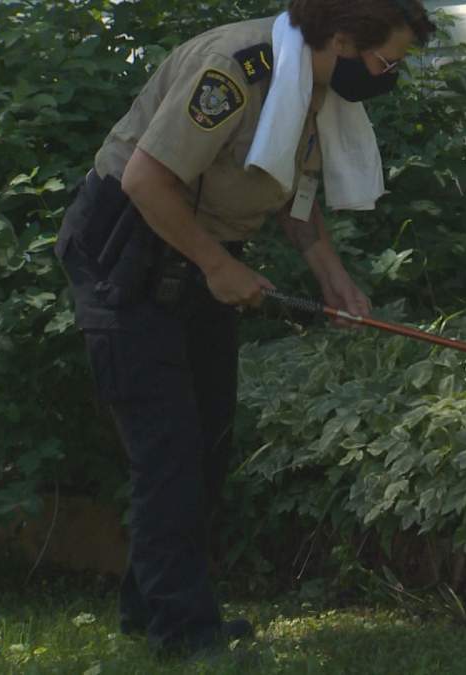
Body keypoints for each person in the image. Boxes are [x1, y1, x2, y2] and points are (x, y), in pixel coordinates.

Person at [54, 0, 436, 655]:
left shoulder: (312, 84)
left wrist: (333, 278)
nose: (388, 76)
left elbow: (296, 195)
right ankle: (185, 632)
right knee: (168, 448)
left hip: (200, 253)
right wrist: (217, 265)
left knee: (207, 437)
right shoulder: (233, 70)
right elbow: (146, 180)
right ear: (342, 38)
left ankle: (152, 608)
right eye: (385, 61)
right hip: (126, 247)